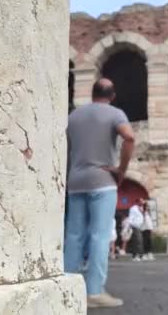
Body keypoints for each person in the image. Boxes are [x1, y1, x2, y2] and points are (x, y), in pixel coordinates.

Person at [64, 78, 135, 309]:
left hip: (75, 181)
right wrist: (121, 170)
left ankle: (66, 287)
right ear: (112, 95)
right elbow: (129, 137)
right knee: (100, 235)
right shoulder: (115, 114)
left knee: (74, 235)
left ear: (92, 93)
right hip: (103, 181)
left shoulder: (73, 117)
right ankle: (94, 291)